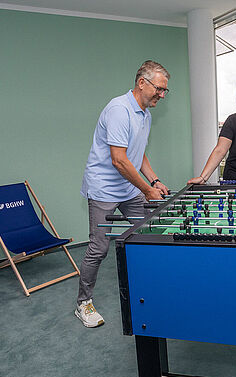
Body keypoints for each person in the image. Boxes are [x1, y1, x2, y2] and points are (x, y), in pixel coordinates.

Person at [75, 60, 170, 328]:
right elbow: (119, 160)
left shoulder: (145, 114)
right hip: (104, 188)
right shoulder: (119, 109)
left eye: (165, 91)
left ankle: (154, 287)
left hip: (129, 187)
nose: (162, 95)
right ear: (142, 83)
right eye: (159, 89)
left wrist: (155, 180)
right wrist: (147, 189)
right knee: (99, 247)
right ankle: (83, 303)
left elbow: (136, 154)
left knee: (148, 233)